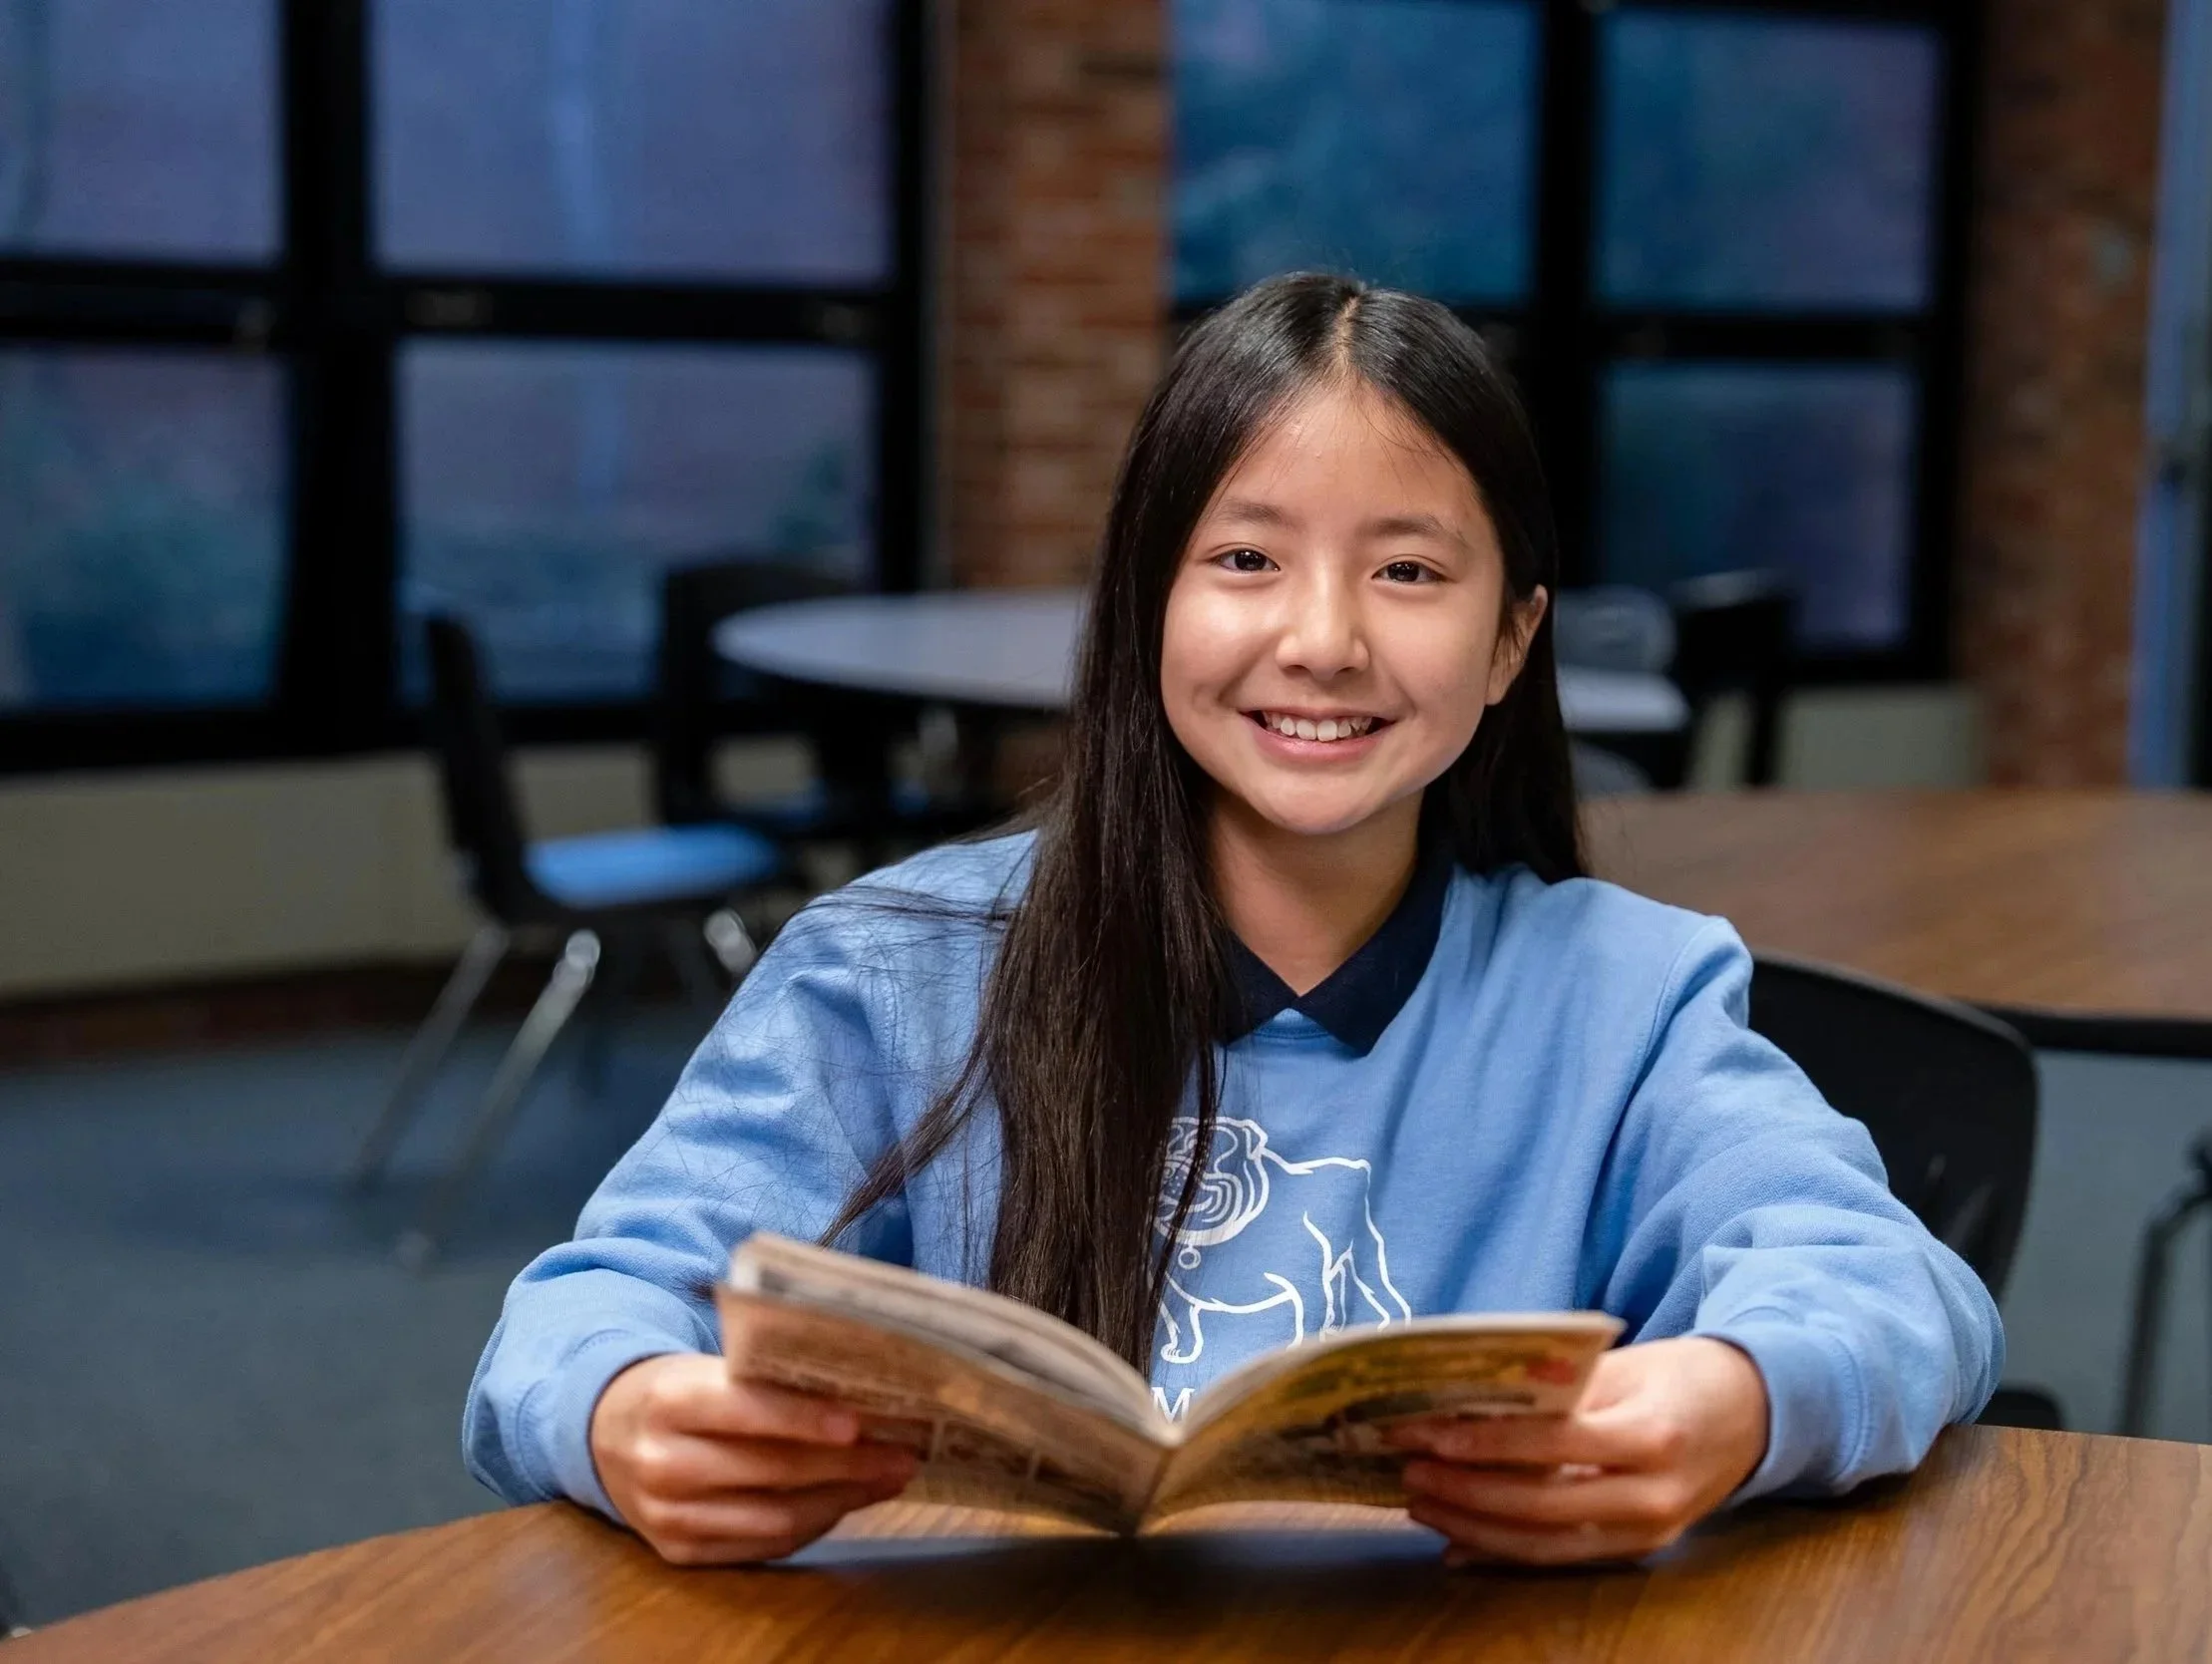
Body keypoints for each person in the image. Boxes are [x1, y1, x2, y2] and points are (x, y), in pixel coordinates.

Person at [464, 272, 2002, 1569]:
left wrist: (1727, 1399)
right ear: (1146, 607)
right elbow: (584, 1306)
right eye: (1244, 560)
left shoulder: (1625, 997)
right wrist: (629, 1411)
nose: (1319, 641)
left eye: (1407, 570)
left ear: (1508, 640)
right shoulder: (892, 974)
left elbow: (1893, 1288)